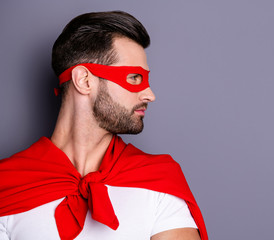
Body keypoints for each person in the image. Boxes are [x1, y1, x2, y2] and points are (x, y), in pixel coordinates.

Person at [0, 11, 207, 240]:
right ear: (84, 80)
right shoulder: (7, 185)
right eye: (134, 78)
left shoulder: (158, 181)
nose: (149, 94)